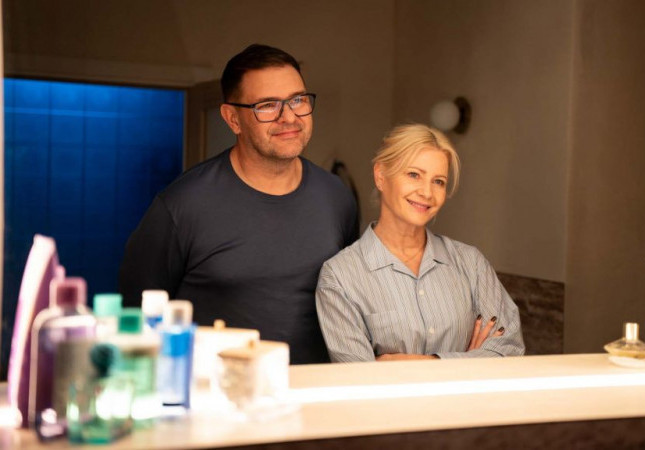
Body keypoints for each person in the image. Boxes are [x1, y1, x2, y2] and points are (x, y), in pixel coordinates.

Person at [119, 44, 359, 364]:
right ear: (233, 119)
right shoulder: (182, 206)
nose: (289, 117)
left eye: (298, 100)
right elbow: (137, 319)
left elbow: (352, 302)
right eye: (267, 105)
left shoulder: (336, 196)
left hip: (314, 388)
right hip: (219, 390)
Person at [316, 124, 524, 362]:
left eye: (439, 182)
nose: (427, 192)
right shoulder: (340, 277)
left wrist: (424, 362)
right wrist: (469, 360)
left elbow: (509, 350)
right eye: (414, 175)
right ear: (381, 176)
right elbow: (361, 377)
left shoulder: (471, 264)